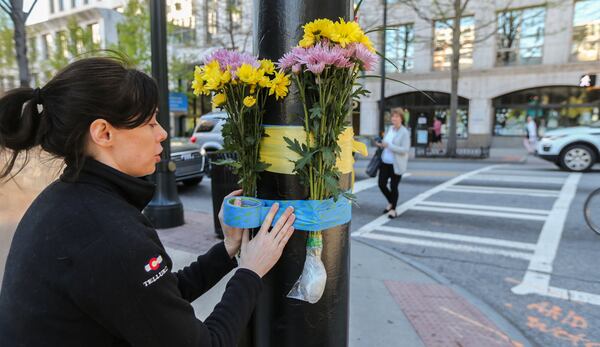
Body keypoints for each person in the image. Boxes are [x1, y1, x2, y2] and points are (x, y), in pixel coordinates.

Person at [0, 57, 296, 346]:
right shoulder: (107, 233)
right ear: (104, 133)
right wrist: (251, 271)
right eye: (151, 122)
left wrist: (228, 251)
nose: (163, 133)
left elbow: (154, 301)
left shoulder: (69, 200)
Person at [376, 109, 410, 219]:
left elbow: (405, 149)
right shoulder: (389, 129)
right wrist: (381, 144)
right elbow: (386, 143)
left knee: (393, 186)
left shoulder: (404, 132)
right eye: (393, 116)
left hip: (396, 164)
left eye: (397, 117)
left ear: (401, 118)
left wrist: (389, 146)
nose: (394, 119)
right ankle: (391, 202)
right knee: (381, 184)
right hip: (385, 162)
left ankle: (393, 209)